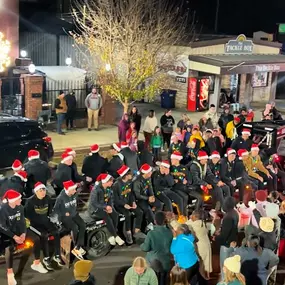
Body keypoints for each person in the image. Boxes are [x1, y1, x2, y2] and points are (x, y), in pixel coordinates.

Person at [24, 182, 64, 270]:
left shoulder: (47, 198)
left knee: (56, 232)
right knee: (44, 235)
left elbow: (50, 212)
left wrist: (54, 218)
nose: (43, 192)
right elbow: (28, 216)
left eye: (44, 190)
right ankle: (46, 258)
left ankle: (57, 255)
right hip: (35, 224)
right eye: (40, 190)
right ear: (36, 192)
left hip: (45, 221)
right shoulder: (30, 202)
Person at [88, 173, 124, 246]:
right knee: (107, 217)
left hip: (105, 207)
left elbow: (110, 199)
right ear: (105, 181)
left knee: (115, 214)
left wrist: (110, 207)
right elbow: (94, 203)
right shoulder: (96, 190)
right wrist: (105, 207)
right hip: (95, 210)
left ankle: (111, 235)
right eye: (110, 181)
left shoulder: (108, 188)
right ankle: (115, 236)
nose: (112, 182)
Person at [53, 180, 86, 259]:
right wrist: (64, 213)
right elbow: (55, 209)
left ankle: (78, 246)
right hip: (65, 217)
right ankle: (75, 247)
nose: (75, 191)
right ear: (68, 190)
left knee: (83, 225)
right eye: (73, 189)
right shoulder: (61, 198)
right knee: (75, 227)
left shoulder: (74, 194)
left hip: (74, 214)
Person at [112, 165, 144, 244]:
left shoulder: (130, 182)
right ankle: (128, 233)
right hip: (119, 205)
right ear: (126, 175)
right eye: (130, 174)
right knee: (127, 214)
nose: (132, 176)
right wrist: (124, 205)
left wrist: (133, 202)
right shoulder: (116, 185)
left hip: (129, 202)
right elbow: (115, 199)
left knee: (139, 212)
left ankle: (137, 231)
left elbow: (131, 194)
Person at [140, 211, 173, 285]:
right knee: (163, 280)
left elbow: (145, 248)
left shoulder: (151, 233)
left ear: (155, 221)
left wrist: (141, 245)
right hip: (166, 262)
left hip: (153, 263)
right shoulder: (169, 232)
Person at [215, 197, 239, 280]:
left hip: (226, 245)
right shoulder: (235, 213)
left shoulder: (228, 216)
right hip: (233, 243)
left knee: (224, 269)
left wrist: (216, 238)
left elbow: (224, 235)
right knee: (231, 269)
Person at [186, 209, 212, 280]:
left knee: (200, 265)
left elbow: (183, 226)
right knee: (206, 263)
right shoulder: (203, 223)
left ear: (195, 216)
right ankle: (208, 277)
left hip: (200, 246)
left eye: (192, 215)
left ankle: (202, 279)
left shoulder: (194, 224)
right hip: (207, 245)